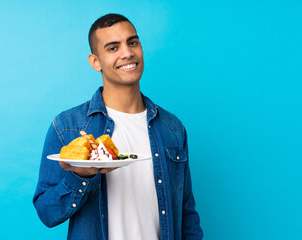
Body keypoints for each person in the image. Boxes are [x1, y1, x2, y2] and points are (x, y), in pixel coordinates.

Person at [33, 13, 203, 240]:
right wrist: (80, 176)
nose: (127, 53)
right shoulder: (67, 127)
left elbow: (186, 213)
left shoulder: (172, 127)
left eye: (132, 42)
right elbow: (47, 213)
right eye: (113, 48)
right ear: (95, 62)